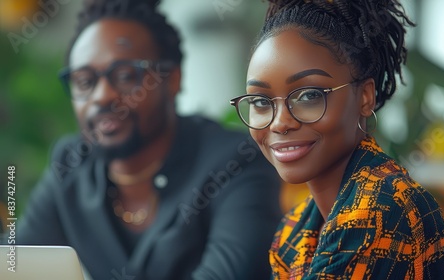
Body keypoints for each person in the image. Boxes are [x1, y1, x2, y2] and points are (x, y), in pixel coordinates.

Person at [15, 0, 282, 279]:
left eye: (125, 76)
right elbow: (16, 265)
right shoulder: (71, 163)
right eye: (84, 81)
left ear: (172, 79)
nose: (101, 96)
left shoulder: (236, 161)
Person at [229, 0, 444, 279]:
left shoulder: (382, 207)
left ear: (365, 97)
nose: (280, 122)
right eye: (260, 101)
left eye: (309, 96)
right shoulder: (293, 229)